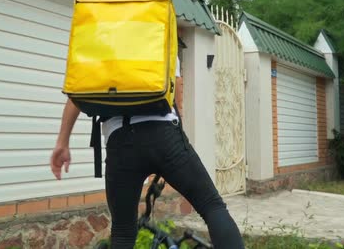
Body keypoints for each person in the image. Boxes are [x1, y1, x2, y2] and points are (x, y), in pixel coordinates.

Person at [50, 57, 244, 249]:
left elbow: (77, 94)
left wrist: (62, 141)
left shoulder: (101, 38)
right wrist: (176, 133)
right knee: (211, 206)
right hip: (165, 134)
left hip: (120, 140)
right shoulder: (156, 28)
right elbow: (175, 85)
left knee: (123, 230)